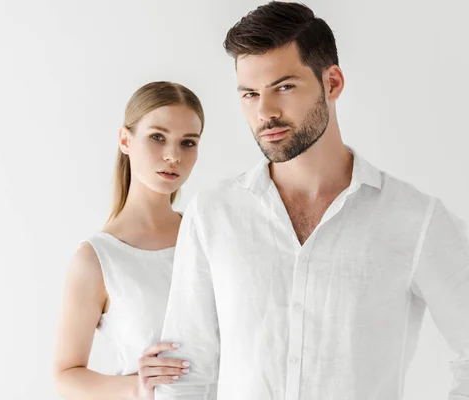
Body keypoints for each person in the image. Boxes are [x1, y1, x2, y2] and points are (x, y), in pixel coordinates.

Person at [155, 2, 469, 399]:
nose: (264, 112)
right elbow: (186, 373)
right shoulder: (213, 213)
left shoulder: (414, 219)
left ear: (332, 83)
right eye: (250, 94)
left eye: (283, 87)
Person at [54, 81, 205, 399]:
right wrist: (137, 385)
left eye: (187, 142)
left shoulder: (208, 235)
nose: (173, 155)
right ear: (125, 139)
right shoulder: (97, 259)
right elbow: (65, 376)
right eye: (158, 137)